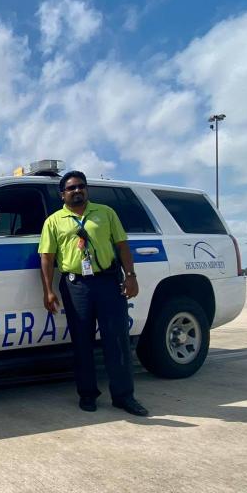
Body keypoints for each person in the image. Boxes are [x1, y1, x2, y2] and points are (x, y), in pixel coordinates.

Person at [38, 170, 149, 416]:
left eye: (81, 186)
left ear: (86, 189)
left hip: (109, 283)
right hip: (76, 286)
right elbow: (47, 257)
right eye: (71, 188)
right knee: (82, 342)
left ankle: (124, 397)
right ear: (62, 194)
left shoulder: (106, 213)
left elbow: (122, 246)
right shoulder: (54, 221)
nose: (77, 191)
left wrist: (130, 276)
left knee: (117, 341)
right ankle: (87, 394)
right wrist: (48, 290)